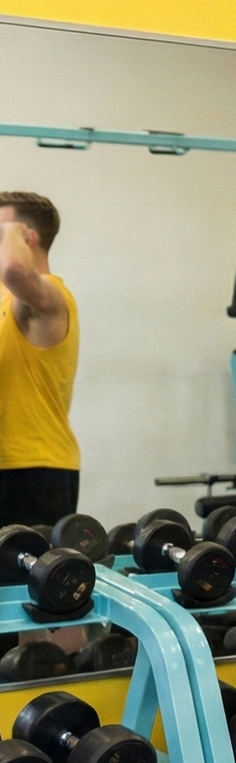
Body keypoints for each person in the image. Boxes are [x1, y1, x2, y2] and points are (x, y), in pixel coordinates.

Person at [0, 192, 79, 529]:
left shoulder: (48, 297)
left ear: (29, 236)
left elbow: (14, 268)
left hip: (32, 471)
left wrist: (12, 232)